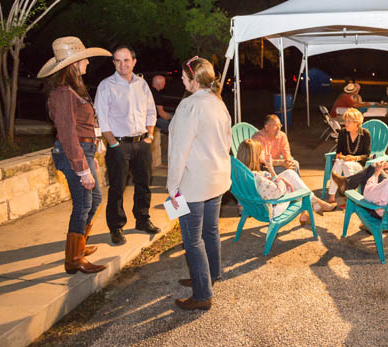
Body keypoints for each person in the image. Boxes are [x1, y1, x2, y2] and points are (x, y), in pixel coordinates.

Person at [37, 36, 111, 274]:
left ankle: (79, 245)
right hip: (74, 153)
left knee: (94, 199)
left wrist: (91, 155)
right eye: (84, 59)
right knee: (82, 204)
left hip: (83, 150)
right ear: (73, 64)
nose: (88, 62)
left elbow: (81, 127)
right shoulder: (63, 92)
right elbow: (68, 134)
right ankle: (74, 258)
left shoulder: (73, 89)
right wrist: (82, 168)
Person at [167, 56, 231, 311]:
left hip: (194, 181)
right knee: (210, 231)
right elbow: (226, 142)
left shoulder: (190, 105)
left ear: (194, 79)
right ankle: (209, 275)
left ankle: (202, 293)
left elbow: (179, 149)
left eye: (184, 77)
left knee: (193, 239)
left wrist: (173, 187)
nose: (182, 81)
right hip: (216, 178)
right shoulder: (218, 102)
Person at [95, 46, 160, 246]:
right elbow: (102, 119)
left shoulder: (142, 84)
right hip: (119, 145)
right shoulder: (106, 86)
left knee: (144, 184)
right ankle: (116, 227)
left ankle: (142, 219)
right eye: (118, 60)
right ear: (113, 63)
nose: (122, 64)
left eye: (126, 60)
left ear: (134, 61)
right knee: (117, 188)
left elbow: (151, 111)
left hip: (142, 143)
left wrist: (149, 135)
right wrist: (113, 143)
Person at [237, 139, 335, 225]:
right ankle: (315, 204)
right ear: (254, 157)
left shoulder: (243, 174)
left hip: (256, 204)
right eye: (260, 153)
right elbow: (279, 191)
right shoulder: (257, 177)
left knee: (289, 173)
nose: (261, 155)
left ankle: (315, 203)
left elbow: (263, 180)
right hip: (272, 208)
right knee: (295, 187)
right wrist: (271, 169)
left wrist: (277, 178)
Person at [327, 108, 371, 204]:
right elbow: (338, 152)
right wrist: (344, 157)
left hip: (358, 164)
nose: (345, 123)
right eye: (345, 121)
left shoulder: (365, 134)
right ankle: (334, 196)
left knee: (344, 164)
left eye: (348, 121)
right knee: (339, 163)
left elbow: (367, 155)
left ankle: (349, 196)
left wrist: (354, 158)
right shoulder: (343, 133)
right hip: (343, 161)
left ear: (356, 123)